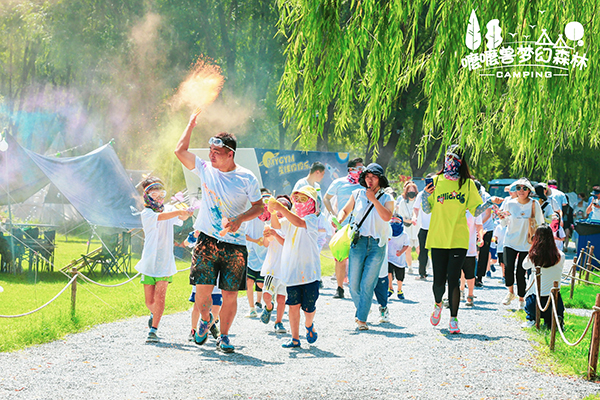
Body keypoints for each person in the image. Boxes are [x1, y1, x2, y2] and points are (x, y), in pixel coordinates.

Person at [175, 109, 264, 353]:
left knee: (230, 296)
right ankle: (205, 320)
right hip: (206, 241)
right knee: (202, 297)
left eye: (216, 152)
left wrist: (239, 219)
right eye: (210, 152)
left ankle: (224, 337)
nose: (211, 156)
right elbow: (179, 151)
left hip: (234, 245)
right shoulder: (205, 169)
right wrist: (190, 125)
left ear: (230, 153)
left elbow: (259, 207)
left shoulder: (246, 178)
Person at [422, 145, 502, 334]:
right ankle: (438, 304)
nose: (451, 161)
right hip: (439, 237)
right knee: (438, 281)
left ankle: (454, 319)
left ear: (461, 161)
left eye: (455, 157)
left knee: (454, 279)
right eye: (448, 157)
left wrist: (490, 202)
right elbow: (426, 209)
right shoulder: (435, 180)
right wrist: (426, 194)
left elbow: (476, 210)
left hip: (459, 238)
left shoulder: (467, 184)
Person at [337, 163, 394, 330]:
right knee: (353, 283)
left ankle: (361, 319)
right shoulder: (357, 193)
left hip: (377, 244)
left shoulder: (387, 197)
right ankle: (364, 308)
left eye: (374, 177)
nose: (370, 180)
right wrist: (339, 219)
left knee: (367, 283)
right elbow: (345, 211)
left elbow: (387, 217)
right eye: (367, 176)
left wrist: (373, 200)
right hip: (358, 242)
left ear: (380, 179)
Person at [135, 177, 192, 343]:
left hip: (165, 261)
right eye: (154, 193)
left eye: (161, 193)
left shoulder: (168, 208)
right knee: (149, 301)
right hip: (149, 261)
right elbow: (162, 217)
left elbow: (179, 219)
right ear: (147, 196)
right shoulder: (146, 213)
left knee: (160, 298)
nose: (159, 196)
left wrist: (186, 213)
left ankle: (153, 329)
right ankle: (154, 313)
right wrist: (178, 212)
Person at [268, 186, 321, 348]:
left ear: (312, 203)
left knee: (309, 307)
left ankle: (309, 325)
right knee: (293, 306)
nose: (298, 203)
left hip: (310, 273)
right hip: (292, 273)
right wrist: (272, 211)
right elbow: (276, 225)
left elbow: (299, 222)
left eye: (303, 199)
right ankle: (295, 338)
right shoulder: (289, 220)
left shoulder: (312, 219)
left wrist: (281, 208)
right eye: (296, 199)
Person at [497, 178, 544, 310]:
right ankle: (510, 292)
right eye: (518, 188)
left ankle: (521, 298)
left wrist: (539, 243)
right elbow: (504, 223)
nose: (521, 191)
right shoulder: (509, 203)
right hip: (510, 241)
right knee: (508, 268)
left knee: (521, 272)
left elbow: (540, 223)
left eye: (524, 188)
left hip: (527, 243)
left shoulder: (535, 204)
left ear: (529, 190)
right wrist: (502, 218)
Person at [323, 158, 365, 299]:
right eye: (358, 169)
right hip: (342, 226)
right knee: (340, 259)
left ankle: (357, 287)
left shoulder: (365, 184)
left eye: (362, 169)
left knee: (359, 258)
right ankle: (339, 288)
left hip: (361, 226)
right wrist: (333, 214)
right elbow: (326, 198)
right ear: (350, 169)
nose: (360, 171)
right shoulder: (339, 183)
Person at [260, 195, 293, 334]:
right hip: (272, 269)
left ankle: (278, 322)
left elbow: (287, 244)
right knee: (267, 295)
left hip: (286, 269)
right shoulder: (270, 225)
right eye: (277, 206)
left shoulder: (290, 226)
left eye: (284, 206)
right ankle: (268, 307)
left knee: (281, 298)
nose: (279, 210)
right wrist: (268, 235)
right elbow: (266, 243)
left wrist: (275, 233)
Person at [522, 225, 565, 329]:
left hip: (535, 302)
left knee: (531, 291)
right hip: (553, 301)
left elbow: (524, 266)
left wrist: (532, 248)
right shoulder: (561, 256)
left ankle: (532, 318)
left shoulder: (533, 256)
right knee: (554, 294)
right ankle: (555, 319)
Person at [244, 191, 271, 318]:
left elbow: (271, 239)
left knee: (261, 284)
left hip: (265, 256)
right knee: (249, 281)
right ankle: (251, 308)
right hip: (251, 254)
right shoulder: (250, 216)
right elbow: (244, 234)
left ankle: (269, 303)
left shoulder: (270, 218)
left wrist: (264, 240)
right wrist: (256, 241)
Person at [395, 181, 419, 275]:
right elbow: (400, 216)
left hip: (417, 228)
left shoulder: (418, 201)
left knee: (419, 249)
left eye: (413, 190)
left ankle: (424, 264)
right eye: (409, 190)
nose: (411, 192)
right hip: (407, 229)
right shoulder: (402, 202)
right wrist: (408, 220)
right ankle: (410, 267)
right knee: (407, 249)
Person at [413, 174, 433, 280]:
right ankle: (422, 272)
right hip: (424, 227)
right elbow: (415, 208)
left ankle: (441, 274)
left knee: (437, 252)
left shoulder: (439, 194)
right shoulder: (421, 194)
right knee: (423, 252)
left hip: (436, 228)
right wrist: (414, 217)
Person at [387, 215, 409, 299]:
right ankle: (390, 288)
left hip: (399, 260)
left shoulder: (404, 235)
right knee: (389, 273)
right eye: (392, 222)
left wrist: (401, 252)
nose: (394, 224)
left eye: (397, 222)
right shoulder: (388, 232)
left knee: (399, 278)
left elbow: (406, 245)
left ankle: (399, 290)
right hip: (389, 258)